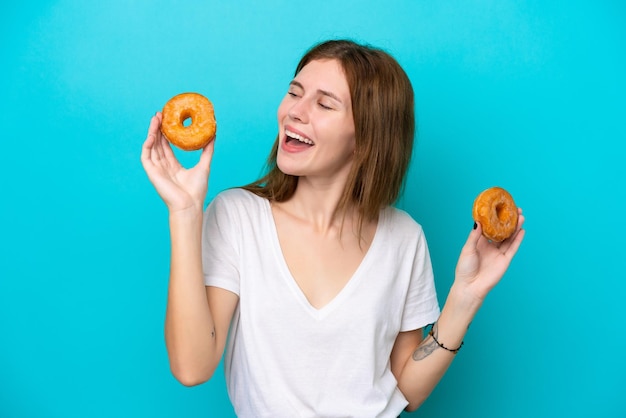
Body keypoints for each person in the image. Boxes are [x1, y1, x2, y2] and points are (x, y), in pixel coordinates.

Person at [141, 39, 525, 417]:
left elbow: (407, 392)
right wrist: (186, 212)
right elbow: (192, 368)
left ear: (366, 138)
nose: (296, 112)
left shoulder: (404, 238)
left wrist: (466, 296)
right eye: (295, 93)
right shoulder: (237, 217)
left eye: (324, 104)